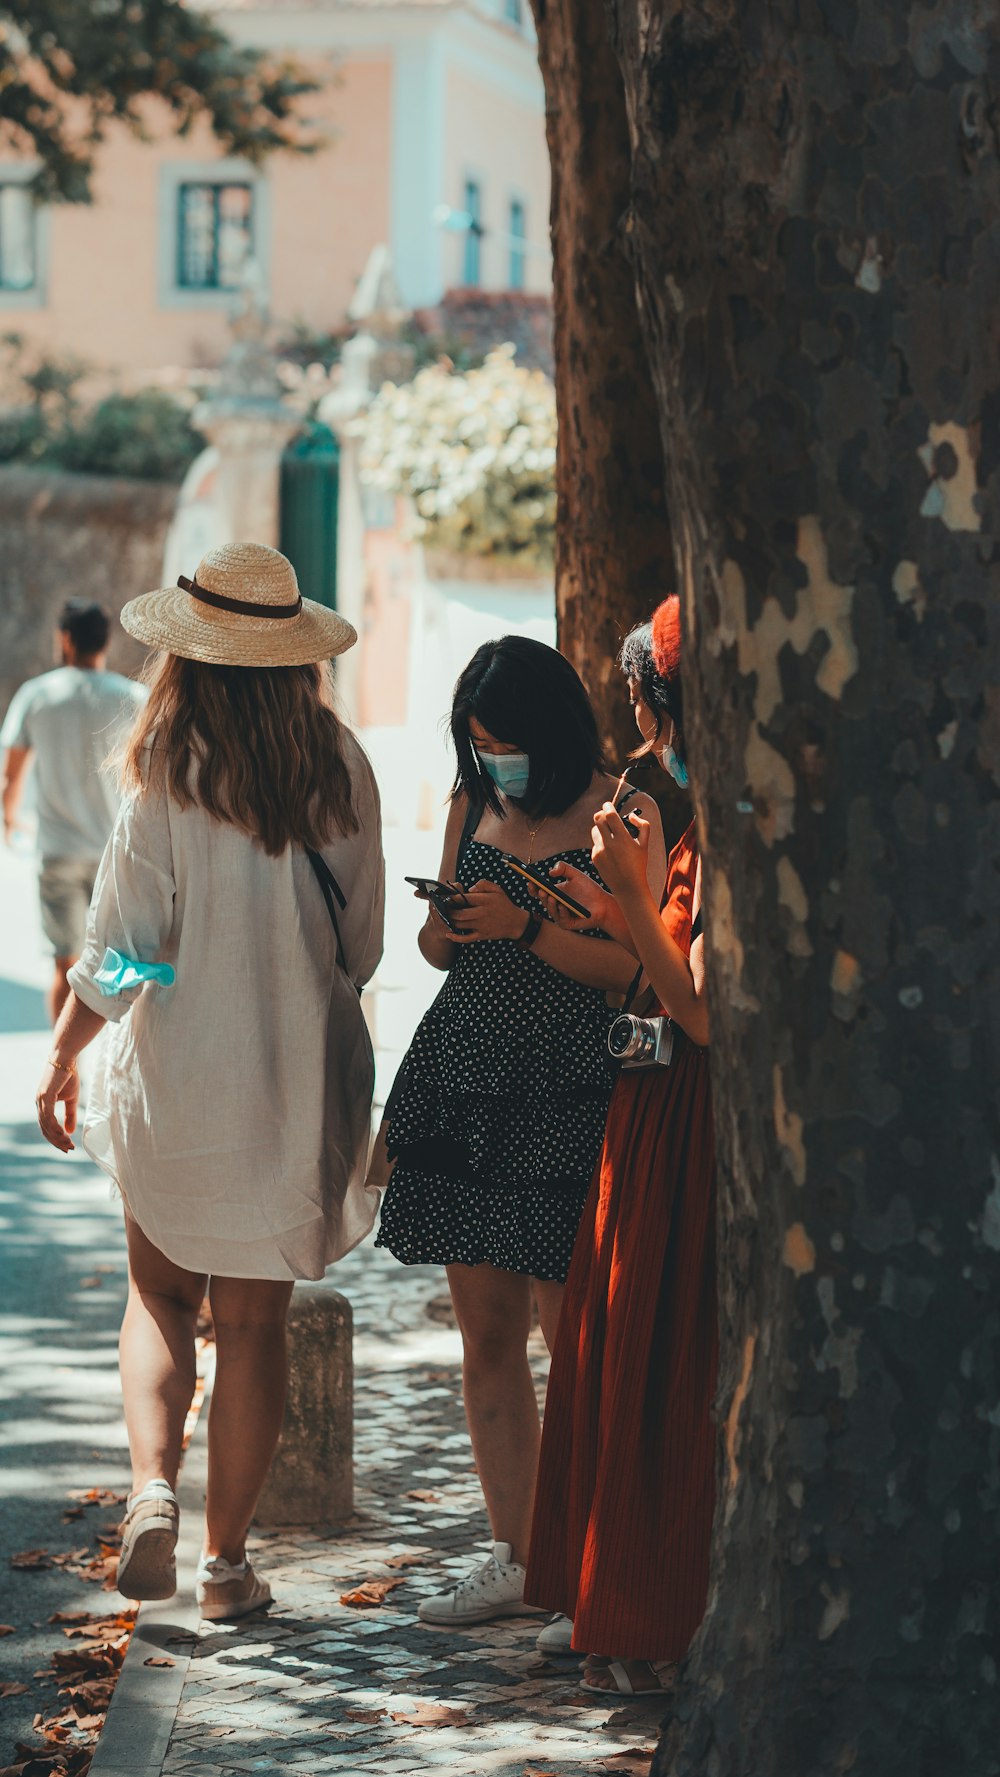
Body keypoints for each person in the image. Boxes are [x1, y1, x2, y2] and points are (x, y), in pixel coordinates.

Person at [33, 543, 385, 1622]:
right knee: (258, 1324)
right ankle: (228, 1569)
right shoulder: (341, 765)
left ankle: (150, 1492)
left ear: (190, 655)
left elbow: (129, 950)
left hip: (180, 1081)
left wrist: (63, 1048)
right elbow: (360, 949)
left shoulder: (165, 769)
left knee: (160, 1295)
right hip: (292, 1087)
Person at [376, 635, 666, 1626]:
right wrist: (451, 922)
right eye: (474, 740)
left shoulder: (617, 811)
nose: (487, 756)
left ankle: (587, 1564)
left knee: (570, 1334)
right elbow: (434, 950)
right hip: (468, 1079)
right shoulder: (473, 806)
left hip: (571, 1088)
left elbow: (638, 971)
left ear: (547, 732)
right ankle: (516, 1552)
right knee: (486, 1333)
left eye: (500, 740)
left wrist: (531, 927)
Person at [524, 596, 717, 1696]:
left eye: (643, 704)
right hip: (649, 1118)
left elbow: (697, 1008)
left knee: (656, 1362)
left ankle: (644, 1615)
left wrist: (633, 901)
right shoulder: (701, 815)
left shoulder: (723, 824)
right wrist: (625, 901)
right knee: (617, 1348)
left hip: (683, 1126)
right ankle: (612, 1598)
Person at [1, 600, 147, 1023]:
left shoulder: (37, 695)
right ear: (105, 642)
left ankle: (67, 1071)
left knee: (65, 969)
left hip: (57, 853)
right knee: (117, 973)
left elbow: (11, 777)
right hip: (114, 854)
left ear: (65, 639)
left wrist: (9, 822)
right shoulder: (134, 698)